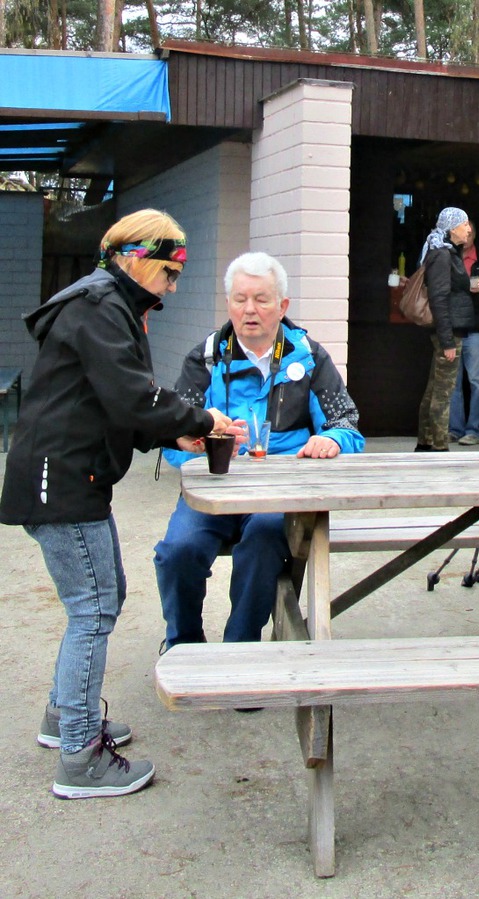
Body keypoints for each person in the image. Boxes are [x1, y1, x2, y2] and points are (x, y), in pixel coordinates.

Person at [0, 209, 237, 799]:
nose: (173, 287)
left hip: (75, 476)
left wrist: (172, 432)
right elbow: (134, 395)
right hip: (61, 481)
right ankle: (81, 759)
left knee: (103, 597)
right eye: (169, 272)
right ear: (134, 257)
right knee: (93, 607)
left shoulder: (108, 304)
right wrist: (201, 419)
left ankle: (66, 718)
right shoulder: (100, 305)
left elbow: (112, 402)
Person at [154, 252, 365, 652]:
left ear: (282, 305)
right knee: (177, 551)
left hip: (278, 491)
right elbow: (173, 438)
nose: (249, 309)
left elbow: (348, 424)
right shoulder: (206, 357)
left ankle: (241, 648)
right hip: (215, 487)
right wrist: (202, 446)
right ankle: (184, 644)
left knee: (266, 537)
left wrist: (332, 440)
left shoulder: (309, 356)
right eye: (240, 299)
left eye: (261, 299)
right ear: (228, 304)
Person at [415, 207, 475, 452]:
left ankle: (426, 441)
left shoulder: (446, 251)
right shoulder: (442, 254)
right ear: (452, 228)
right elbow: (439, 298)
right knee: (443, 391)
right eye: (465, 224)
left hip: (449, 329)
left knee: (434, 387)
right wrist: (448, 340)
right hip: (449, 331)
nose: (469, 229)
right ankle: (439, 445)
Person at [448, 221, 479, 446]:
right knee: (453, 382)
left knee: (477, 382)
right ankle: (455, 429)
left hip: (478, 329)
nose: (465, 236)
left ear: (474, 235)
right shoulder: (450, 257)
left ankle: (475, 430)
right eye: (463, 232)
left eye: (469, 233)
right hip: (454, 328)